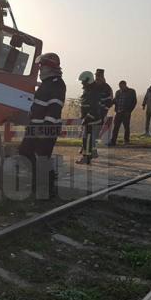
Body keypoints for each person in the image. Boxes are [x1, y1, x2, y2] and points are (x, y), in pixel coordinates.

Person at [18, 52, 66, 197]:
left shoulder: (57, 84)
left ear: (50, 67)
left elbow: (54, 109)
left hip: (46, 128)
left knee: (42, 158)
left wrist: (44, 129)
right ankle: (38, 182)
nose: (39, 70)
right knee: (25, 151)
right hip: (35, 126)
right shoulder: (47, 83)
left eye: (41, 67)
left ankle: (47, 188)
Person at [76, 70, 111, 164]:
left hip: (92, 120)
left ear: (88, 80)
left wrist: (87, 118)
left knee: (87, 140)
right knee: (88, 139)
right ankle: (90, 155)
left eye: (83, 81)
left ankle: (87, 157)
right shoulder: (90, 89)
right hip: (91, 119)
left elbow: (95, 107)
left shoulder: (94, 91)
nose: (82, 83)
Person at [109, 80, 137, 146]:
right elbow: (115, 100)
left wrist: (129, 111)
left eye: (121, 86)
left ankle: (126, 141)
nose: (120, 88)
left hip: (126, 112)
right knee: (116, 127)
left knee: (126, 127)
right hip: (118, 112)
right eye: (119, 86)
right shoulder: (118, 92)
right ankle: (113, 141)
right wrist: (110, 103)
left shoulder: (131, 91)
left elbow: (134, 102)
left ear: (125, 85)